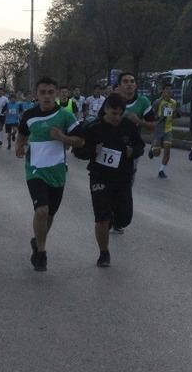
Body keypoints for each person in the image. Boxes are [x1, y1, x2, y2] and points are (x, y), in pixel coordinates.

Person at [16, 77, 84, 272]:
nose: (46, 96)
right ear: (36, 95)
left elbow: (80, 141)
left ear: (56, 93)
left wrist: (62, 137)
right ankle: (42, 252)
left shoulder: (65, 116)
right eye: (42, 92)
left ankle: (37, 241)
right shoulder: (29, 115)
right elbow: (22, 133)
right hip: (35, 169)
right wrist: (20, 146)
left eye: (50, 92)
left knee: (50, 215)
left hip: (57, 171)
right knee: (41, 211)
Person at [72, 93, 144, 267]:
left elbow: (140, 145)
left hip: (123, 178)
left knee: (124, 218)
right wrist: (92, 151)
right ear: (105, 109)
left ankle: (114, 219)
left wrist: (132, 151)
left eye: (120, 114)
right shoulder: (92, 128)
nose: (116, 118)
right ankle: (104, 253)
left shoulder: (128, 126)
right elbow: (77, 151)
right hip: (100, 177)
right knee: (102, 217)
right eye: (113, 113)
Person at [112, 72, 156, 234]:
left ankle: (118, 217)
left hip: (132, 149)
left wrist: (138, 121)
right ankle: (111, 211)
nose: (129, 84)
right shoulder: (113, 100)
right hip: (112, 147)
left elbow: (153, 125)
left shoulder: (143, 102)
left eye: (132, 81)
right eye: (125, 81)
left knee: (126, 183)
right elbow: (101, 120)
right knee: (112, 181)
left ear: (136, 85)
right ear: (120, 85)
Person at [149, 83, 179, 178]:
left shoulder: (174, 102)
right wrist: (157, 117)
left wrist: (175, 115)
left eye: (170, 89)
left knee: (167, 150)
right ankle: (152, 149)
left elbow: (173, 115)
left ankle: (161, 170)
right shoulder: (157, 102)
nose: (169, 91)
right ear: (163, 91)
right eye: (167, 89)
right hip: (158, 129)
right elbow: (150, 116)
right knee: (157, 153)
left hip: (168, 129)